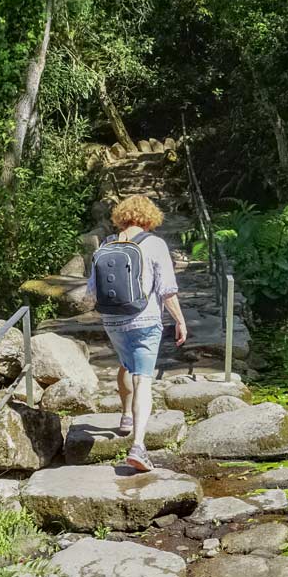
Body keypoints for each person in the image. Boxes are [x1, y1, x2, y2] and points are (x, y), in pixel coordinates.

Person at [86, 195, 188, 472]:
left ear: (121, 216)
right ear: (150, 217)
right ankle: (138, 447)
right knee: (143, 379)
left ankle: (125, 417)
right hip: (145, 320)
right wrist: (180, 320)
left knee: (125, 364)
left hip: (112, 321)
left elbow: (92, 290)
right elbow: (167, 289)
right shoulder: (155, 244)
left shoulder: (107, 244)